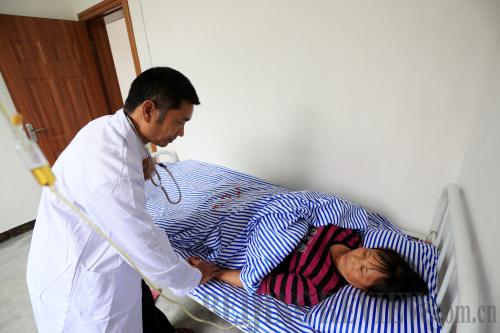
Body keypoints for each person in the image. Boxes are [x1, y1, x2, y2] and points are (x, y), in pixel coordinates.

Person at [26, 67, 220, 333]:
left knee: (139, 298)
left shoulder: (107, 128)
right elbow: (144, 244)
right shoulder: (114, 167)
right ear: (149, 110)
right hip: (82, 279)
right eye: (180, 122)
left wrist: (143, 164)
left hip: (76, 244)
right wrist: (192, 277)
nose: (182, 133)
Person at [189, 224, 428, 306]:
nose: (356, 258)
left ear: (363, 289)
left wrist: (213, 272)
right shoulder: (350, 237)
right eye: (367, 254)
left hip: (246, 245)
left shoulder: (318, 287)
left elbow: (257, 280)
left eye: (363, 270)